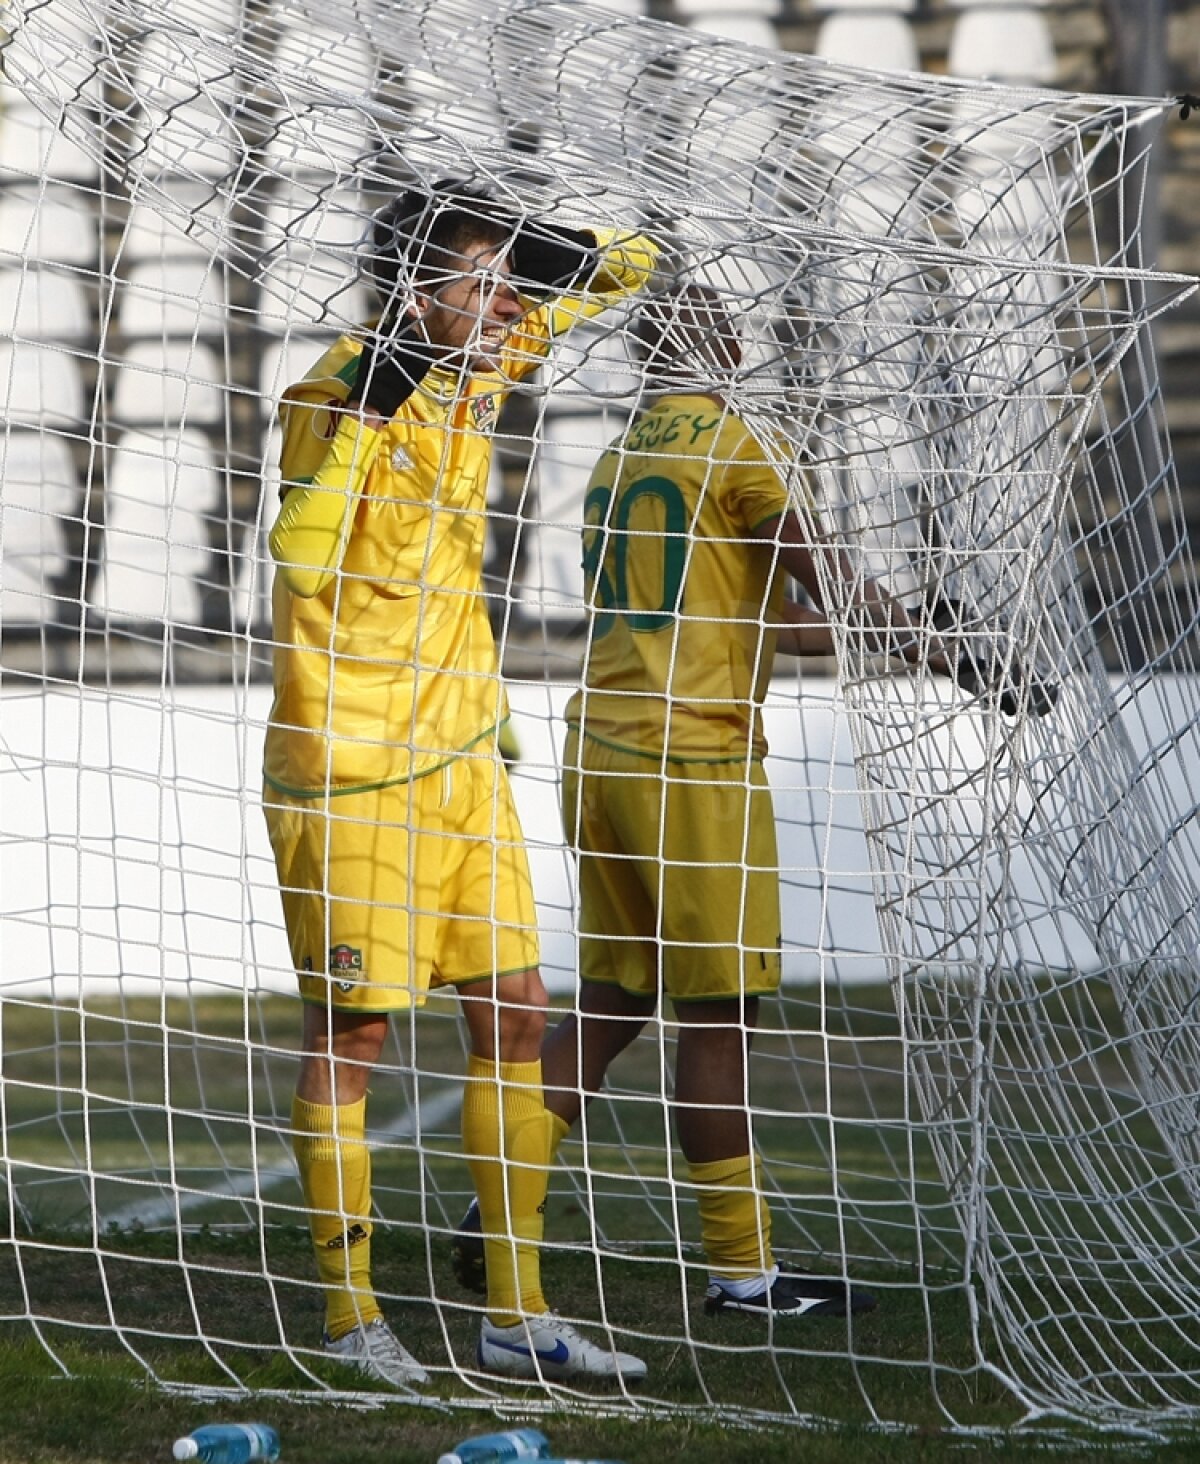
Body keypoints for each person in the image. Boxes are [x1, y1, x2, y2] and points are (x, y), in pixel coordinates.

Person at [453, 283, 1050, 1322]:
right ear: (723, 341)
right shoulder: (733, 442)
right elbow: (827, 583)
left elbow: (749, 620)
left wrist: (915, 641)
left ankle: (504, 1195)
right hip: (694, 765)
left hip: (599, 753)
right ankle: (744, 1275)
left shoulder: (621, 455)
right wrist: (946, 644)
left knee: (611, 1003)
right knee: (721, 1016)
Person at [262, 178, 658, 1387]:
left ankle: (515, 1309)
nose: (497, 307)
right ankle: (349, 1313)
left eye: (501, 283)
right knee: (358, 1030)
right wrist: (384, 392)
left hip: (465, 755)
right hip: (353, 766)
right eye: (470, 284)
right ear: (411, 293)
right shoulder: (330, 391)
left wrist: (535, 252)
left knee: (520, 1012)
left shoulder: (480, 364)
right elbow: (300, 549)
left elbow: (629, 264)